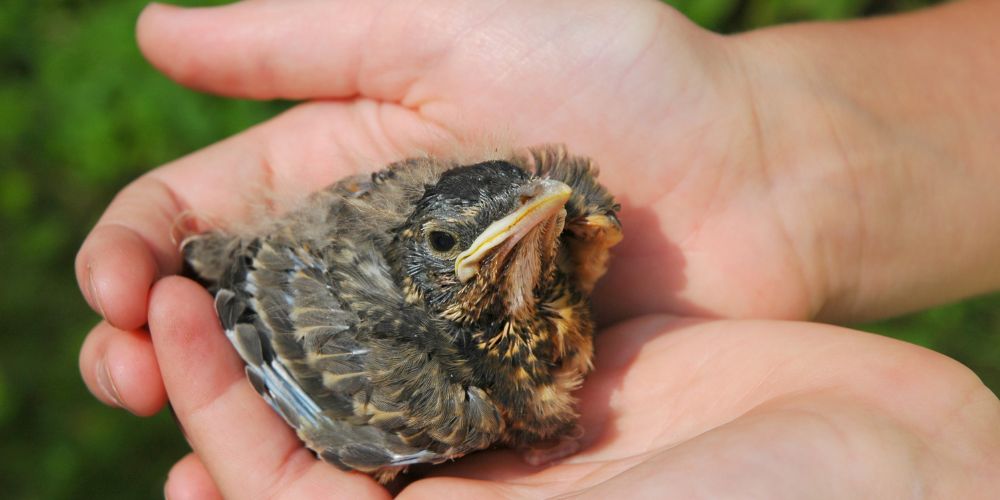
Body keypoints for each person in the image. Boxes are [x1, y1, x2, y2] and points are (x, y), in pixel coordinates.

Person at [76, 0, 1000, 497]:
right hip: (282, 268)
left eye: (539, 219)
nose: (535, 225)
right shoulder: (440, 394)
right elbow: (248, 309)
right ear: (416, 262)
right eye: (445, 245)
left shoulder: (562, 241)